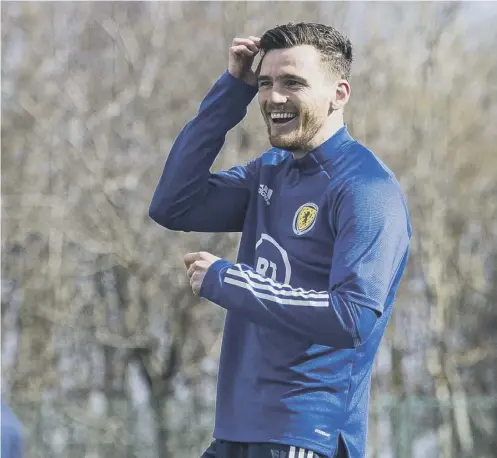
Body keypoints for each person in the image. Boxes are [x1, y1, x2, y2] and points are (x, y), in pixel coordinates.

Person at [149, 22, 411, 458]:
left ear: (338, 94)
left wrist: (229, 280)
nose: (273, 98)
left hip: (304, 433)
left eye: (293, 83)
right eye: (266, 83)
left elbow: (352, 318)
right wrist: (233, 89)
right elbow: (173, 205)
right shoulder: (270, 170)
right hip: (236, 428)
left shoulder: (366, 188)